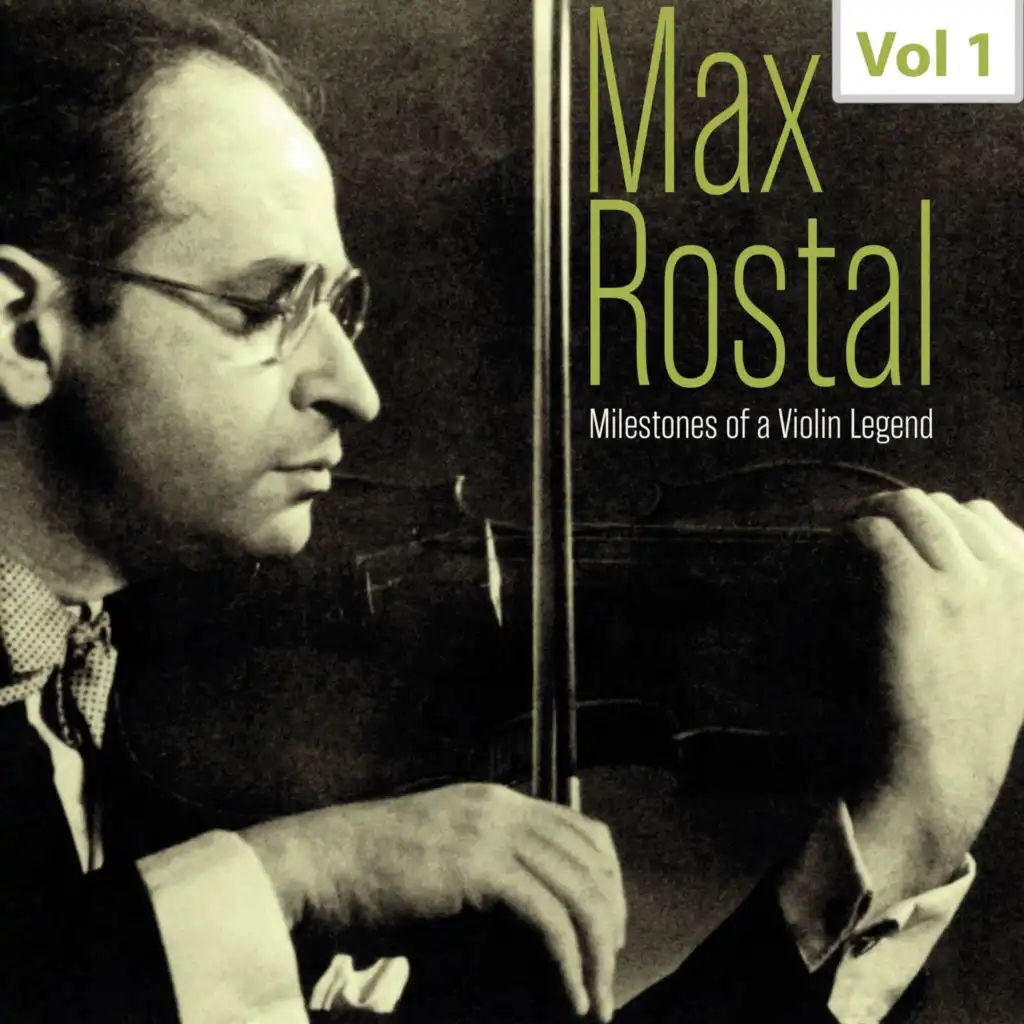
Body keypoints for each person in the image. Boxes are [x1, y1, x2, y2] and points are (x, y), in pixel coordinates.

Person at [0, 1, 1020, 1022]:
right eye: (267, 305)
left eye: (339, 308)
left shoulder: (108, 737)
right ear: (21, 331)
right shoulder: (203, 833)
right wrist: (299, 871)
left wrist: (887, 851)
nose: (355, 389)